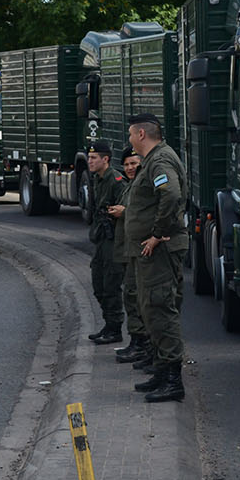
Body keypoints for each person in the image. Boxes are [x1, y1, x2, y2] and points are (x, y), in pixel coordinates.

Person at [123, 114, 188, 402]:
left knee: (160, 308)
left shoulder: (160, 160)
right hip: (151, 251)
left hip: (159, 249)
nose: (129, 140)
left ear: (140, 134)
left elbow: (171, 195)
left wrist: (157, 232)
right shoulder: (154, 160)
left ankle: (173, 380)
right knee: (150, 308)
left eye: (129, 135)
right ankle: (162, 371)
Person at [84, 142, 127, 344]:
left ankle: (115, 328)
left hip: (113, 239)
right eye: (89, 157)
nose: (90, 161)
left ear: (105, 159)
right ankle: (108, 323)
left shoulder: (116, 181)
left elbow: (125, 210)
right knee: (98, 283)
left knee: (111, 284)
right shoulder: (97, 179)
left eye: (94, 158)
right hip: (101, 237)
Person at [112, 151, 151, 367]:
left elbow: (143, 213)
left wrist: (124, 212)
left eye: (134, 163)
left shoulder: (143, 185)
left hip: (139, 250)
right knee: (130, 295)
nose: (129, 168)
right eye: (126, 164)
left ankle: (142, 343)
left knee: (136, 296)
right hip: (129, 249)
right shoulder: (130, 185)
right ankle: (138, 341)